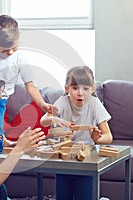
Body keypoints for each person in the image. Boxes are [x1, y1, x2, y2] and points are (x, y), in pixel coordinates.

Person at [0, 14, 58, 171]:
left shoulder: (21, 58)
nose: (10, 52)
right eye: (4, 49)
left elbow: (30, 86)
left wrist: (42, 104)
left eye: (14, 48)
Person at [40, 66, 113, 200]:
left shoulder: (94, 103)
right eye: (75, 88)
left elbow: (108, 137)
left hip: (86, 160)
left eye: (85, 88)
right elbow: (43, 121)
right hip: (65, 159)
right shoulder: (63, 101)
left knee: (83, 195)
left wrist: (97, 139)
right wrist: (53, 117)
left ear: (92, 89)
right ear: (67, 89)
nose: (80, 93)